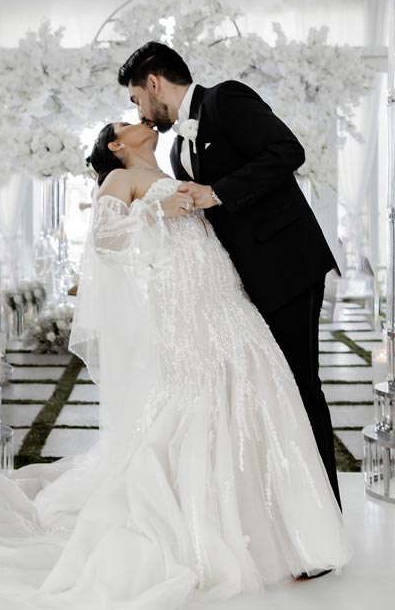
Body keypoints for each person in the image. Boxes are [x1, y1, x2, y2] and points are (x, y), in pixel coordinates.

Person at [0, 120, 347, 610]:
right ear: (117, 146)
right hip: (185, 304)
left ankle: (279, 527)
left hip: (227, 296)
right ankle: (204, 526)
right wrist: (156, 210)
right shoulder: (118, 180)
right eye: (124, 124)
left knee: (259, 390)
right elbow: (105, 239)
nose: (138, 120)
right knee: (198, 400)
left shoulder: (175, 167)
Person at [118, 40, 341, 507]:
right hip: (246, 284)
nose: (140, 112)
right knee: (272, 396)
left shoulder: (226, 98)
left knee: (301, 387)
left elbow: (287, 151)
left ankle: (325, 514)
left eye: (137, 98)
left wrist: (216, 192)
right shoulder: (179, 147)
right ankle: (281, 511)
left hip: (288, 268)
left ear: (154, 83)